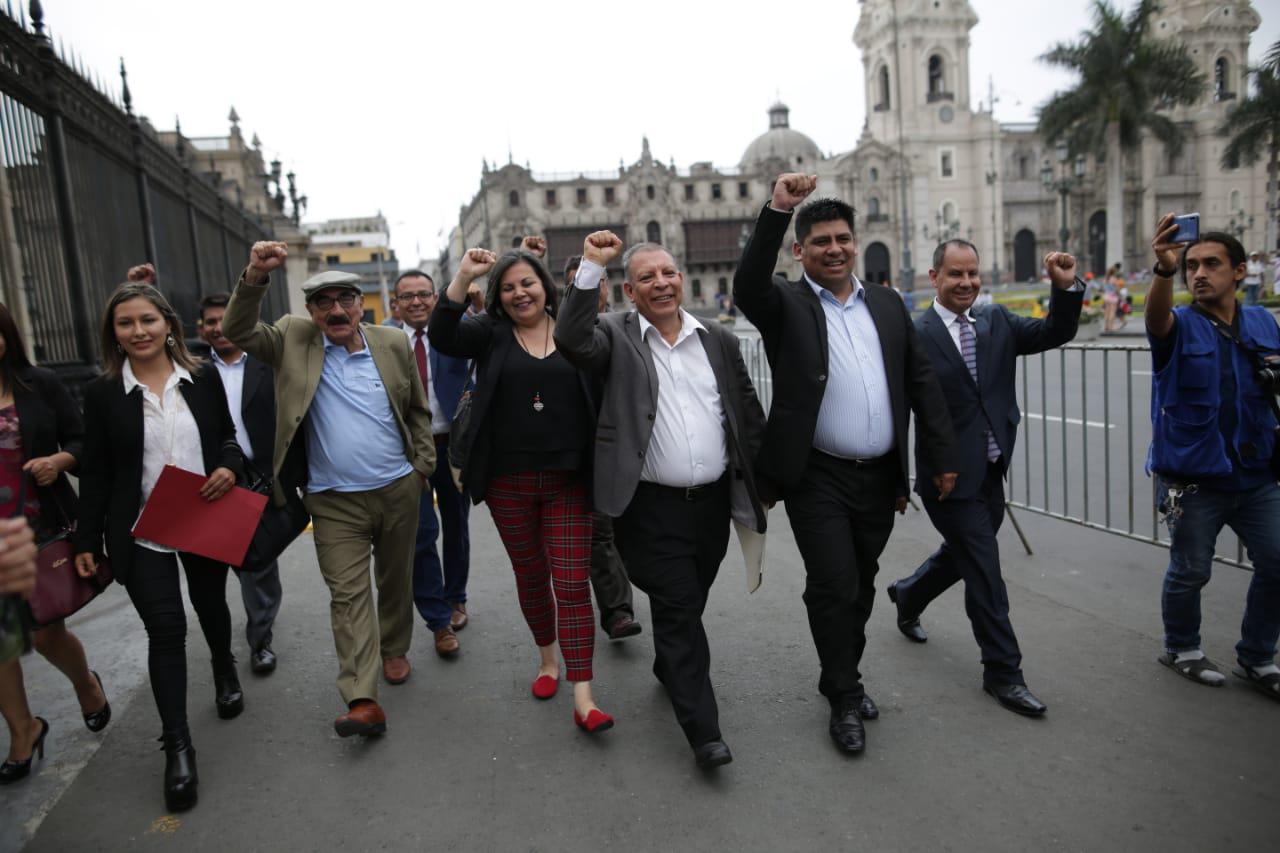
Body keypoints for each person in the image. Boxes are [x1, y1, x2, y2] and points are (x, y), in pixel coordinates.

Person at [733, 173, 957, 755]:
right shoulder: (785, 303)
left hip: (879, 477)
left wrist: (940, 455)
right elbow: (748, 281)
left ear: (855, 242)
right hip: (817, 476)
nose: (834, 248)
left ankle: (844, 676)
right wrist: (780, 207)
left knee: (859, 585)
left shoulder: (885, 302)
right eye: (820, 241)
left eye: (842, 238)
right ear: (800, 250)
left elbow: (920, 380)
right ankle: (843, 693)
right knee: (833, 584)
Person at [557, 232, 767, 768]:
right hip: (648, 507)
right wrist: (589, 266)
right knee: (678, 610)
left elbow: (744, 410)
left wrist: (767, 478)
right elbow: (572, 339)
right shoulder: (612, 335)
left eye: (668, 272)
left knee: (689, 599)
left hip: (713, 505)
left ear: (680, 278)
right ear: (628, 290)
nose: (662, 283)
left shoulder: (717, 339)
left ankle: (669, 665)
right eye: (647, 277)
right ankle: (704, 732)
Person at [223, 245, 434, 737]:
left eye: (345, 300)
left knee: (396, 578)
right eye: (323, 303)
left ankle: (396, 646)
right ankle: (362, 696)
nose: (335, 311)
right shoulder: (293, 340)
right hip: (332, 500)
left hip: (398, 488)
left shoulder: (392, 342)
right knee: (347, 595)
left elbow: (417, 410)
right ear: (311, 311)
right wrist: (255, 274)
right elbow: (236, 332)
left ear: (361, 305)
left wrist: (421, 467)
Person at [886, 241, 1083, 716]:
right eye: (955, 274)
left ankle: (908, 593)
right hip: (947, 482)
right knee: (986, 574)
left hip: (992, 470)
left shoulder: (996, 322)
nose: (966, 283)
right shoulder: (916, 335)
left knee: (966, 557)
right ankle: (1003, 674)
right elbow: (900, 413)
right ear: (934, 277)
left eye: (973, 274)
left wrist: (1065, 288)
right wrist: (900, 480)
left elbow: (1056, 330)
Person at [73, 282, 245, 812]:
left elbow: (228, 439)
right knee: (165, 629)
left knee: (210, 605)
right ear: (115, 334)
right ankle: (178, 746)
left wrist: (227, 467)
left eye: (147, 319)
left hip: (202, 515)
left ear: (168, 324)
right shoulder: (102, 393)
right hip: (141, 528)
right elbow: (98, 471)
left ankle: (222, 664)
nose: (138, 331)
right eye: (126, 323)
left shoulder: (203, 377)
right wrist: (86, 537)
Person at [430, 244, 613, 734]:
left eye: (527, 283)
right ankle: (547, 660)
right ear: (498, 297)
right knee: (532, 576)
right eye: (508, 287)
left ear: (545, 287)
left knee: (572, 584)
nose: (519, 293)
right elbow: (442, 333)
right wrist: (464, 273)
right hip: (507, 481)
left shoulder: (577, 331)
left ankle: (584, 693)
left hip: (570, 480)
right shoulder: (488, 334)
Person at [1145, 216, 1280, 702]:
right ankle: (1182, 649)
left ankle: (1258, 655)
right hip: (1195, 475)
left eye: (1212, 264)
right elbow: (1156, 320)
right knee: (1191, 569)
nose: (1198, 273)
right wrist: (1163, 271)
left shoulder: (1264, 322)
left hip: (1257, 472)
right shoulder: (1179, 325)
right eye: (1192, 266)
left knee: (1278, 560)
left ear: (1240, 271)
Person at [0, 303, 110, 786]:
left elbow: (86, 441)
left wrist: (60, 461)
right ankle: (23, 731)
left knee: (44, 635)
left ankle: (86, 684)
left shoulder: (38, 384)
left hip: (36, 531)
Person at [191, 289, 283, 675]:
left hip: (259, 477)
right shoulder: (191, 369)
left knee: (257, 567)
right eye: (211, 322)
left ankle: (260, 641)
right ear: (201, 328)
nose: (219, 328)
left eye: (226, 319)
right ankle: (222, 650)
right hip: (210, 478)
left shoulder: (268, 362)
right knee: (214, 570)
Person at [394, 269, 473, 657]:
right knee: (422, 533)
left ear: (436, 298)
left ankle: (456, 595)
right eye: (407, 297)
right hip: (409, 452)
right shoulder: (389, 344)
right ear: (396, 305)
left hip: (453, 446)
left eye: (424, 294)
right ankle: (438, 620)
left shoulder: (454, 331)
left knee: (456, 524)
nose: (417, 302)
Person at [563, 253, 641, 641]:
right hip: (588, 450)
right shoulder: (562, 331)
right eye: (580, 283)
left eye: (595, 282)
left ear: (608, 286)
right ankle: (617, 612)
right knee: (600, 535)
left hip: (635, 447)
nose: (590, 289)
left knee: (632, 532)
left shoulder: (631, 325)